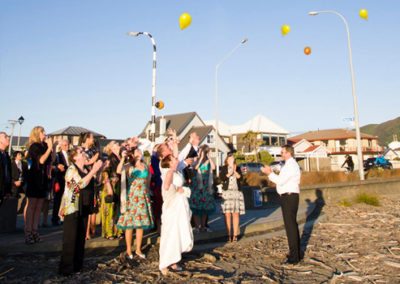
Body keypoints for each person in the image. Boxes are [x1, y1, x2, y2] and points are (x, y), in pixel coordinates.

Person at [58, 147, 103, 276]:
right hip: (73, 206)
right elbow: (79, 185)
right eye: (81, 152)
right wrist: (94, 170)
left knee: (80, 237)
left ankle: (77, 266)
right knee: (70, 238)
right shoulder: (71, 169)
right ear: (75, 157)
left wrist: (98, 170)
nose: (84, 154)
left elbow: (95, 182)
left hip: (84, 205)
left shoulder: (86, 169)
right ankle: (66, 268)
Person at [261, 145, 301, 264]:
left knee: (290, 227)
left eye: (282, 152)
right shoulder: (289, 165)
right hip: (289, 196)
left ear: (289, 153)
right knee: (292, 226)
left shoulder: (291, 165)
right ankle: (296, 253)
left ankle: (294, 257)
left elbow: (280, 180)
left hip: (289, 197)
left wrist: (269, 173)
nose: (281, 154)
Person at [117, 148, 154, 260]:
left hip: (142, 196)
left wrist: (148, 195)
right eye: (137, 151)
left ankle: (138, 249)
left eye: (140, 151)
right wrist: (123, 158)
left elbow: (147, 182)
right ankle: (128, 249)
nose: (139, 153)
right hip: (132, 197)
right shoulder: (129, 166)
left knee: (140, 224)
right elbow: (118, 171)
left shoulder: (145, 165)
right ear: (132, 155)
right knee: (130, 224)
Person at [159, 154, 193, 275]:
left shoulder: (176, 171)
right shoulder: (169, 173)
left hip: (180, 205)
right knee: (170, 233)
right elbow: (166, 187)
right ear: (169, 162)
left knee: (178, 232)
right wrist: (179, 189)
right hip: (173, 206)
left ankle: (174, 260)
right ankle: (164, 262)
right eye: (174, 159)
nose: (177, 160)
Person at [25, 126, 53, 244]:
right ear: (37, 134)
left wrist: (53, 148)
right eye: (43, 132)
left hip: (43, 180)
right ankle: (28, 232)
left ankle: (35, 230)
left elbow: (51, 160)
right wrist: (50, 147)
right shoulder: (34, 146)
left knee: (39, 206)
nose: (45, 134)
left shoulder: (44, 146)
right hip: (34, 178)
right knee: (32, 206)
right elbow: (41, 160)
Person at [219, 153, 245, 242]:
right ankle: (228, 234)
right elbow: (222, 178)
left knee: (236, 214)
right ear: (227, 160)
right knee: (227, 214)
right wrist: (229, 173)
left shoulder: (237, 167)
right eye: (230, 159)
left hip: (236, 193)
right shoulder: (224, 168)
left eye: (233, 159)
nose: (231, 160)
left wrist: (234, 171)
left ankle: (235, 235)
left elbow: (240, 178)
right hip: (227, 193)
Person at [79, 132, 99, 240]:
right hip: (83, 180)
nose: (93, 139)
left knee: (91, 207)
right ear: (86, 139)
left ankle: (88, 232)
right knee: (84, 207)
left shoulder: (93, 150)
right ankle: (83, 232)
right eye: (91, 138)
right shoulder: (80, 150)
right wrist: (95, 159)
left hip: (92, 180)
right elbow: (85, 162)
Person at [193, 144, 216, 232]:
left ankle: (203, 226)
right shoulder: (196, 159)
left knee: (205, 208)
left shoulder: (208, 161)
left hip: (206, 186)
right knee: (196, 207)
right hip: (198, 185)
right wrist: (200, 158)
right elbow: (195, 167)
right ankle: (197, 227)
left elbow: (213, 167)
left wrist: (209, 158)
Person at [52, 139, 69, 226]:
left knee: (67, 199)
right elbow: (53, 165)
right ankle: (55, 218)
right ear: (61, 146)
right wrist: (58, 166)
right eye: (65, 145)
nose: (67, 146)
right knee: (57, 199)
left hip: (68, 180)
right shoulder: (58, 155)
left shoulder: (70, 154)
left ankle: (64, 217)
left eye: (67, 145)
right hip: (60, 179)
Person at [0, 132, 12, 206]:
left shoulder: (6, 155)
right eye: (5, 137)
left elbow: (7, 173)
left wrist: (8, 190)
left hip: (3, 190)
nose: (8, 138)